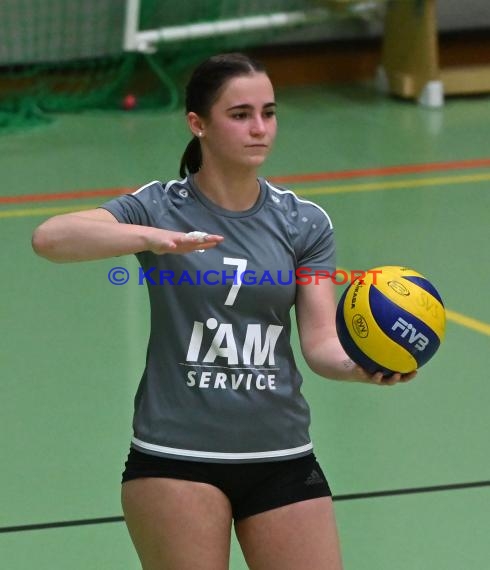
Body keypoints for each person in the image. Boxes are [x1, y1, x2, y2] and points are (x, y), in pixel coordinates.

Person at [32, 52, 416, 570]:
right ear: (198, 124)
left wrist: (361, 365)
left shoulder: (305, 223)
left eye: (269, 112)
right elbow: (50, 238)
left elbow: (321, 343)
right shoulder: (159, 205)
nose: (260, 128)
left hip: (281, 454)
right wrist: (153, 238)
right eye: (240, 115)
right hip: (176, 459)